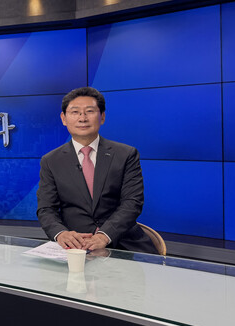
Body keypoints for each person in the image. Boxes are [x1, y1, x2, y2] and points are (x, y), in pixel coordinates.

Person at [36, 87, 156, 253]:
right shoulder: (51, 161)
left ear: (102, 117)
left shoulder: (126, 154)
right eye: (75, 112)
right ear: (64, 118)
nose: (82, 118)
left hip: (122, 243)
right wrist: (61, 234)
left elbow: (132, 202)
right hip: (75, 246)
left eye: (90, 111)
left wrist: (104, 236)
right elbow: (46, 209)